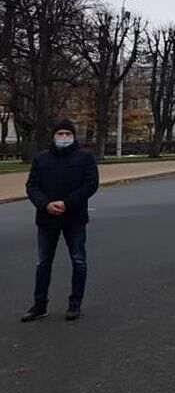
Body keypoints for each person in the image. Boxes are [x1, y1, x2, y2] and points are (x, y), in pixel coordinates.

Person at [22, 119, 99, 322]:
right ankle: (39, 305)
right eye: (60, 133)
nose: (63, 137)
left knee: (78, 261)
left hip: (74, 217)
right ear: (54, 136)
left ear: (73, 136)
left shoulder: (85, 158)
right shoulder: (41, 159)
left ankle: (75, 304)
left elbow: (90, 184)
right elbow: (32, 186)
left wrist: (66, 203)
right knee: (43, 263)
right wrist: (45, 204)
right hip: (47, 218)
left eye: (67, 133)